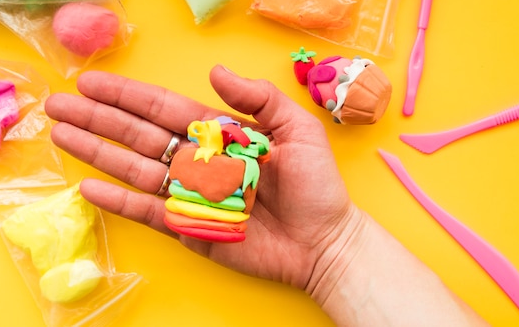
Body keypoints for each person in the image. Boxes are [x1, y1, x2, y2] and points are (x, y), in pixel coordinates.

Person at [45, 65, 489, 326]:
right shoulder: (204, 158)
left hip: (222, 208)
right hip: (198, 199)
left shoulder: (243, 163)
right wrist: (337, 255)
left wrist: (333, 247)